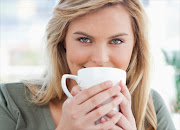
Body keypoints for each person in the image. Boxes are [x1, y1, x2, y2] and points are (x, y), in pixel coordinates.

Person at [0, 0, 176, 130]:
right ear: (63, 42)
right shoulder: (8, 102)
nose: (100, 59)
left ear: (134, 47)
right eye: (84, 39)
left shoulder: (151, 108)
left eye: (116, 40)